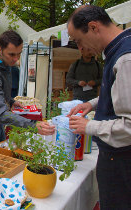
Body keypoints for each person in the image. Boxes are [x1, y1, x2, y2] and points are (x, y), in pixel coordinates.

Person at [67, 5, 131, 209]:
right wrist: (91, 103)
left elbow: (129, 126)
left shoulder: (125, 59)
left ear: (93, 27)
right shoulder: (117, 50)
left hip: (122, 162)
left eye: (78, 40)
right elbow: (117, 94)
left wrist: (89, 127)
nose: (81, 48)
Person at [0, 30, 55, 151]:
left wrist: (10, 101)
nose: (16, 59)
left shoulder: (3, 63)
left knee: (0, 157)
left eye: (19, 54)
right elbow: (1, 112)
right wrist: (33, 125)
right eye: (11, 54)